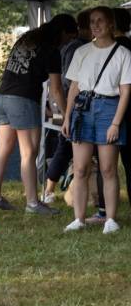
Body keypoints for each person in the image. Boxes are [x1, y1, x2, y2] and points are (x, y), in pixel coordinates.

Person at [0, 17, 67, 214]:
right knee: (29, 153)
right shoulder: (51, 50)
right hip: (22, 100)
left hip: (2, 96)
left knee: (2, 150)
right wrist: (66, 115)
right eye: (70, 37)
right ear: (63, 33)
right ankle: (32, 203)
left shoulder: (27, 38)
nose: (68, 42)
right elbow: (56, 89)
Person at [62, 7, 131, 234]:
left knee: (108, 168)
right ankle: (79, 219)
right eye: (92, 21)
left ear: (111, 24)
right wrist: (67, 116)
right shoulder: (81, 52)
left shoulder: (123, 54)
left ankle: (110, 219)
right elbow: (74, 87)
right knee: (80, 168)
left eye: (100, 20)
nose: (95, 25)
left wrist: (116, 123)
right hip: (82, 109)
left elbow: (125, 91)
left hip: (109, 108)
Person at [43, 11, 92, 203]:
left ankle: (51, 188)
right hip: (69, 104)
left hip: (60, 103)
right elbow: (69, 82)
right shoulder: (77, 47)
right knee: (65, 145)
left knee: (65, 146)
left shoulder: (68, 46)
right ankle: (50, 189)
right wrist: (67, 112)